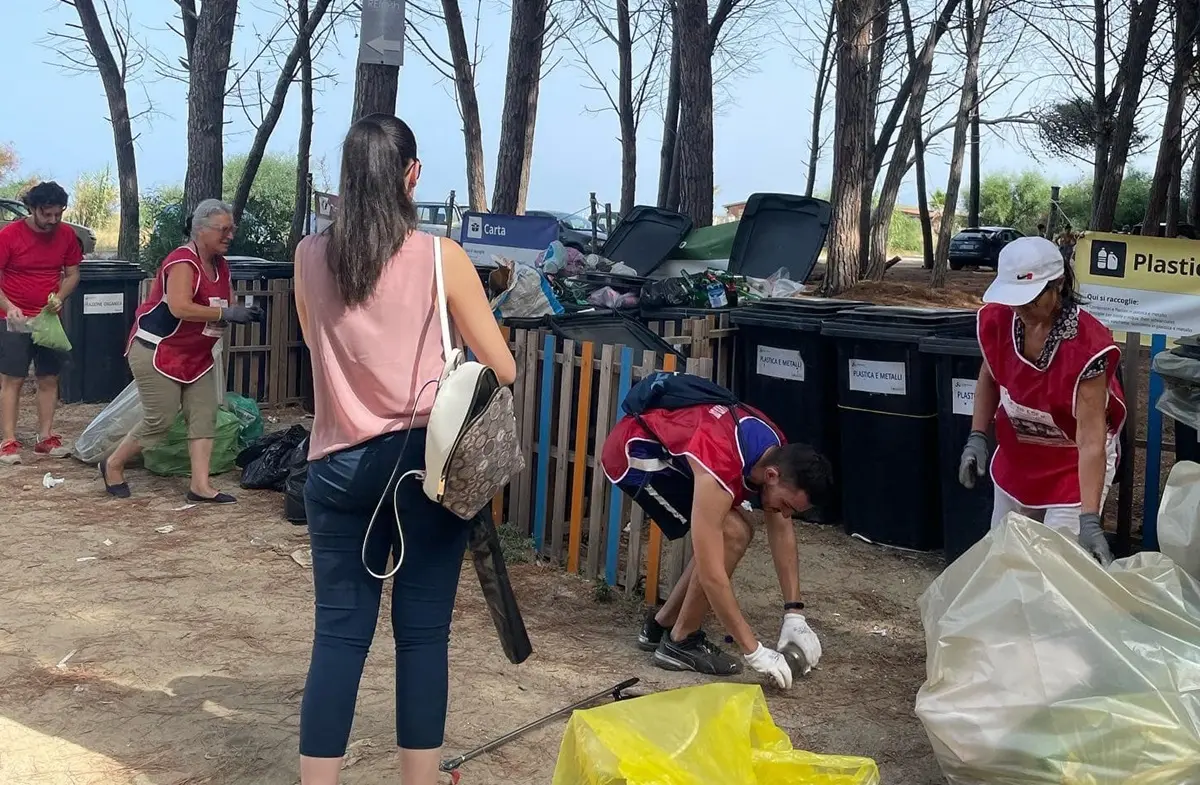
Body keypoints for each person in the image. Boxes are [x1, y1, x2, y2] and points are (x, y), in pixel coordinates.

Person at [293, 113, 515, 785]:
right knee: (422, 637)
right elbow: (501, 367)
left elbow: (315, 344)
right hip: (422, 469)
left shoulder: (308, 255)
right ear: (411, 175)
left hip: (333, 466)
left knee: (338, 638)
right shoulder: (438, 257)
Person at [600, 377, 833, 689]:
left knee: (732, 531)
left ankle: (661, 626)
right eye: (788, 504)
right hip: (636, 456)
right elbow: (712, 574)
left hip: (679, 451)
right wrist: (755, 651)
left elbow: (781, 530)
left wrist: (794, 613)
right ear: (772, 476)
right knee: (733, 533)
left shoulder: (775, 447)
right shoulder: (721, 463)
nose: (786, 513)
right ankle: (681, 642)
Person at [958, 236, 1126, 565]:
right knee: (1005, 556)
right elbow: (990, 376)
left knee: (1055, 566)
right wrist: (977, 436)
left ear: (1059, 285)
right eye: (1014, 300)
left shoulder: (1087, 347)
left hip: (1072, 465)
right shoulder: (1000, 320)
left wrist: (1089, 520)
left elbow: (1091, 440)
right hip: (1020, 456)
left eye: (1031, 300)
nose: (1020, 310)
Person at [100, 199, 262, 503]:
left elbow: (225, 304)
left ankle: (200, 486)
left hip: (196, 355)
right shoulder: (182, 262)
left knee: (204, 415)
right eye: (223, 230)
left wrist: (245, 311)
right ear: (201, 230)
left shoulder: (222, 265)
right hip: (157, 350)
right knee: (159, 419)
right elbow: (180, 307)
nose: (230, 235)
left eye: (232, 229)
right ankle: (113, 463)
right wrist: (225, 315)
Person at [0, 181, 82, 464]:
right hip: (14, 318)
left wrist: (60, 297)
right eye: (46, 214)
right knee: (13, 378)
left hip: (48, 319)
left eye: (58, 214)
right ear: (32, 208)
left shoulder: (67, 235)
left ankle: (45, 437)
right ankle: (8, 441)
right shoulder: (10, 235)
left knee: (49, 377)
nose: (53, 220)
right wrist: (9, 306)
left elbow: (72, 274)